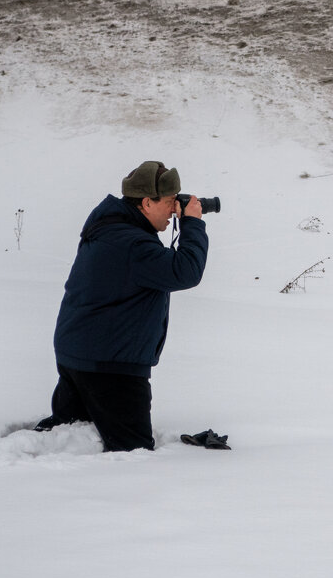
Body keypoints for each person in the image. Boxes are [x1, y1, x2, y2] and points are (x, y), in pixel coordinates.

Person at [34, 161, 209, 451]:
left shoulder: (111, 228)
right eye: (168, 202)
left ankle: (29, 464)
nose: (173, 209)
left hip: (82, 354)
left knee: (71, 435)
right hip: (111, 367)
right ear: (146, 203)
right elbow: (186, 271)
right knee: (132, 453)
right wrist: (193, 223)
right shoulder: (132, 244)